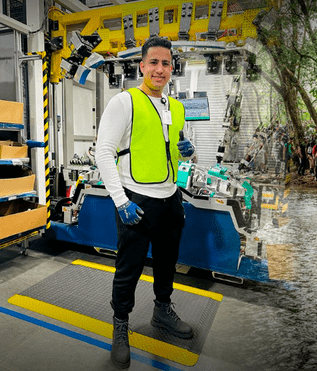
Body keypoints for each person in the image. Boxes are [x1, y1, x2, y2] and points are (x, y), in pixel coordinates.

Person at [95, 37, 195, 369]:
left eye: (166, 63)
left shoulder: (176, 107)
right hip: (135, 201)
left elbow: (174, 143)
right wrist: (120, 200)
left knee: (167, 263)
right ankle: (120, 325)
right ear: (141, 65)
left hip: (170, 199)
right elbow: (103, 153)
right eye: (153, 62)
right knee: (129, 270)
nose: (160, 69)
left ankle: (161, 311)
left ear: (172, 68)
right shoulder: (124, 102)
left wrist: (187, 150)